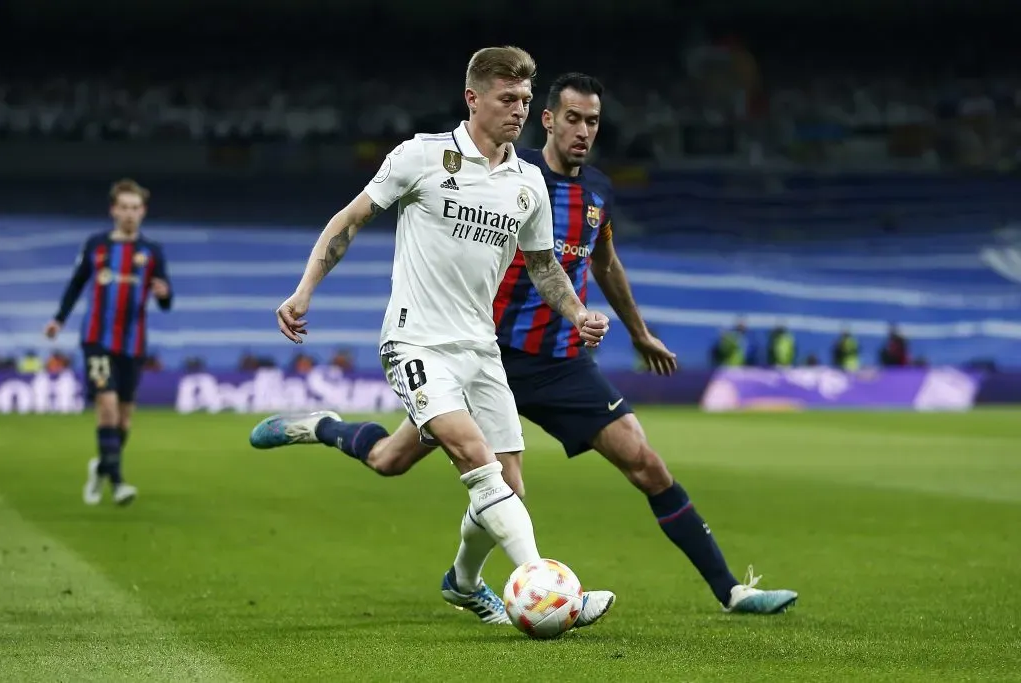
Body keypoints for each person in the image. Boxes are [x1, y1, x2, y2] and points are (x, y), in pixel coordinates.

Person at [254, 72, 796, 617]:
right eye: (573, 119)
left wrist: (635, 330)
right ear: (549, 121)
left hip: (559, 362)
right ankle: (323, 426)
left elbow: (601, 263)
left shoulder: (596, 193)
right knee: (391, 460)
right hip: (484, 351)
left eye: (593, 121)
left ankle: (731, 590)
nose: (583, 131)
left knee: (645, 462)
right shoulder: (509, 170)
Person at [269, 49, 615, 628]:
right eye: (508, 100)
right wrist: (304, 290)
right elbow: (348, 220)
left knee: (440, 469)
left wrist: (578, 313)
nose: (520, 112)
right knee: (476, 461)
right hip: (415, 341)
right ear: (473, 99)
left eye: (527, 101)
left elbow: (543, 265)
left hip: (480, 348)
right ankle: (552, 592)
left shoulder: (527, 182)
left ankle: (460, 579)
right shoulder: (422, 156)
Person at [44, 178, 173, 506]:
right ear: (113, 210)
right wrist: (58, 319)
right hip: (96, 340)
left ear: (142, 211)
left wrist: (164, 294)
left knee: (124, 419)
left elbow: (166, 300)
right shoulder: (96, 245)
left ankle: (101, 466)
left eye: (135, 208)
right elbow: (76, 284)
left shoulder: (152, 252)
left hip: (133, 344)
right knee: (107, 405)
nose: (129, 214)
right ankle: (117, 483)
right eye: (124, 207)